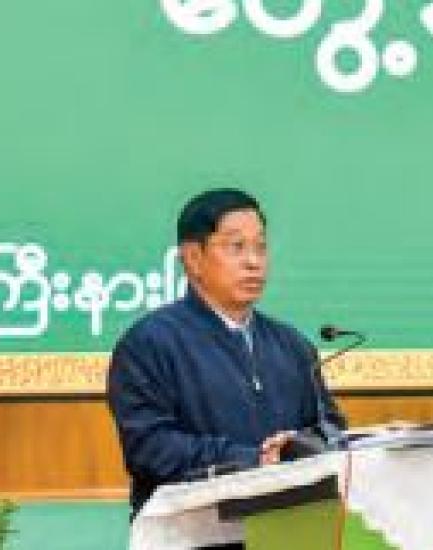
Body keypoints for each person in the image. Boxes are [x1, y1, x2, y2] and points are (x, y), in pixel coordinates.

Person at [107, 188, 346, 547]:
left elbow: (331, 429)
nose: (254, 262)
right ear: (193, 258)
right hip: (196, 538)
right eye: (237, 247)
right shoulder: (149, 343)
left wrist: (299, 447)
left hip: (289, 532)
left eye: (261, 247)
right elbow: (150, 448)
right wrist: (253, 460)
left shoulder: (292, 345)